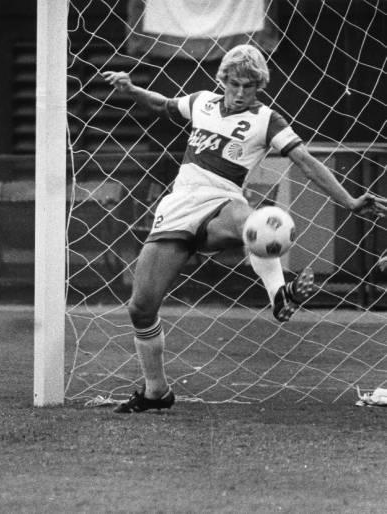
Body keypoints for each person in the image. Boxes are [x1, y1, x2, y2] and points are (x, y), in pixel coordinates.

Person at [100, 44, 387, 413]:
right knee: (140, 307)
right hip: (179, 206)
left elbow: (306, 161)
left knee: (256, 221)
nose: (239, 93)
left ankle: (280, 294)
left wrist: (348, 200)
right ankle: (156, 391)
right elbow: (163, 105)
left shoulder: (267, 120)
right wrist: (132, 89)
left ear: (259, 87)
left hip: (223, 202)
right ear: (222, 81)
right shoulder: (202, 102)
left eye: (248, 87)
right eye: (233, 84)